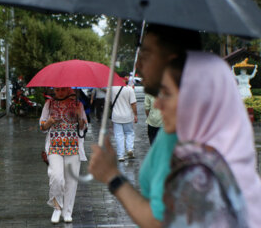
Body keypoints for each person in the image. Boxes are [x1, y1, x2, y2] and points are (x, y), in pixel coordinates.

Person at [88, 24, 202, 228]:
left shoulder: (197, 147)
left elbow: (159, 221)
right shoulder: (171, 130)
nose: (138, 65)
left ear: (171, 58)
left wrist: (113, 176)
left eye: (146, 54)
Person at [155, 51, 261, 227]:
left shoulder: (198, 177)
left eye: (166, 93)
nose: (158, 103)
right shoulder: (234, 156)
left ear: (195, 100)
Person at [39, 87, 87, 224]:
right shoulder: (49, 104)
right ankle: (57, 207)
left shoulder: (78, 104)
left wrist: (79, 115)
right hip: (55, 147)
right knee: (56, 177)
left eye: (63, 90)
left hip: (73, 147)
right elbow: (42, 126)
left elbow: (83, 127)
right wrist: (49, 122)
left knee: (71, 182)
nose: (60, 92)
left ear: (68, 89)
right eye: (57, 90)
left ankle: (67, 212)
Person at [110, 84, 138, 161]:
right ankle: (129, 149)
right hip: (128, 116)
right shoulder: (129, 89)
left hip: (116, 116)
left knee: (119, 136)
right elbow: (133, 104)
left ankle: (121, 155)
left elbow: (108, 102)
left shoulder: (111, 89)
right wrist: (135, 114)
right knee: (129, 133)